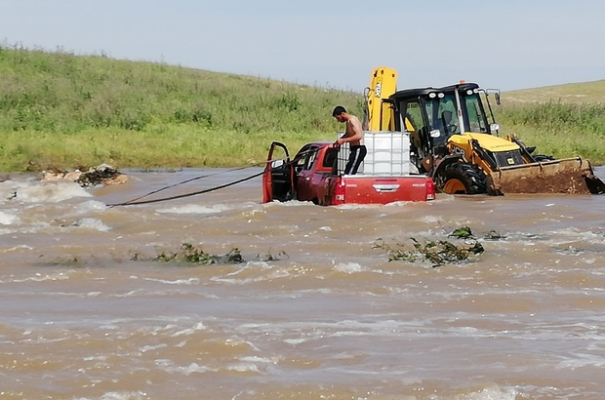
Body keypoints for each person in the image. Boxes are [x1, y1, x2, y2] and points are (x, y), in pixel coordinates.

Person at [332, 106, 367, 175]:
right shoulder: (348, 121)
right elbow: (348, 134)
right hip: (354, 149)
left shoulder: (352, 120)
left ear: (342, 114)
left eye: (338, 118)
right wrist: (339, 141)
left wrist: (344, 141)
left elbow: (359, 136)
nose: (338, 120)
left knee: (350, 172)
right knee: (348, 169)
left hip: (359, 149)